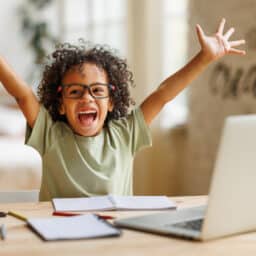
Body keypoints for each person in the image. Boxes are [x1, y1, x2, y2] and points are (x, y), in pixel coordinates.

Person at [0, 18, 245, 201]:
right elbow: (22, 95)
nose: (87, 98)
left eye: (97, 91)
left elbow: (163, 94)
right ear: (61, 104)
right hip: (56, 233)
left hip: (116, 235)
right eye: (75, 92)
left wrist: (203, 59)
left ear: (112, 101)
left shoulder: (126, 133)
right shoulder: (50, 135)